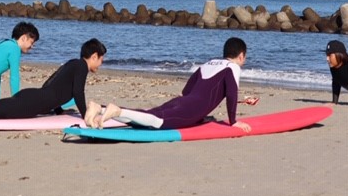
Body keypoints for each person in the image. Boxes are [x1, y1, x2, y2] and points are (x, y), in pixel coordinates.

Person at [85, 37, 252, 133]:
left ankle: (100, 108)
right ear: (241, 55)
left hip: (180, 102)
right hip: (191, 108)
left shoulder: (210, 63)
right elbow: (231, 93)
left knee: (146, 117)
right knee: (155, 122)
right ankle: (116, 110)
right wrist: (233, 121)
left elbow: (188, 90)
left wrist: (200, 114)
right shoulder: (234, 67)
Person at [0, 38, 106, 119]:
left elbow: (50, 85)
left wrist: (58, 111)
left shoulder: (73, 63)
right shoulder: (82, 66)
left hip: (32, 96)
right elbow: (77, 92)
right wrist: (85, 116)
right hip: (32, 102)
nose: (101, 63)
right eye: (101, 59)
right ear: (94, 56)